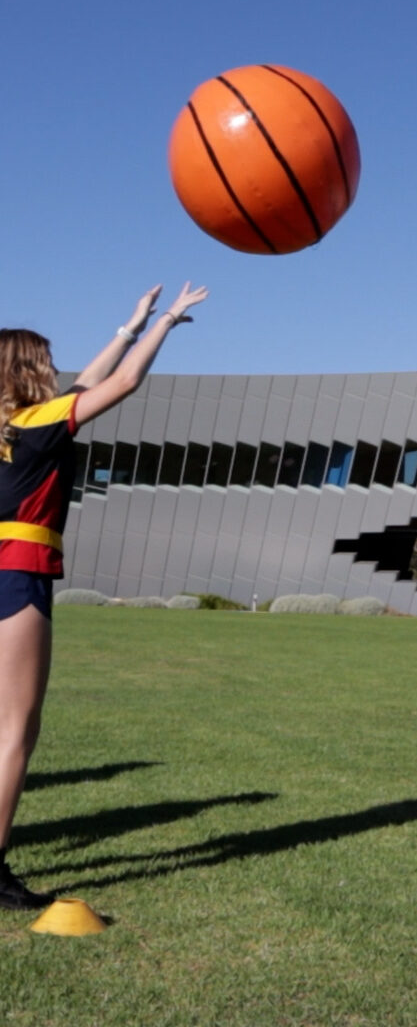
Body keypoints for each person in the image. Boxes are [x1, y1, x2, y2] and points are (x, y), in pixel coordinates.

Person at [0, 281, 208, 909]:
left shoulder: (17, 427)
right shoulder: (40, 425)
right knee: (15, 730)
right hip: (19, 572)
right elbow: (115, 389)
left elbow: (83, 387)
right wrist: (166, 323)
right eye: (45, 358)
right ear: (29, 369)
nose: (55, 366)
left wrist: (128, 325)